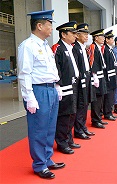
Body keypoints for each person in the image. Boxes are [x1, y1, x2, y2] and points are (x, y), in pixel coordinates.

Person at [18, 10, 64, 179]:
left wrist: (57, 86)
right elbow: (24, 74)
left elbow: (51, 70)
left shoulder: (44, 46)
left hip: (50, 89)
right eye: (49, 25)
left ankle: (47, 158)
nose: (51, 28)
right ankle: (39, 165)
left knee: (50, 127)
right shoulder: (28, 46)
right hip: (38, 91)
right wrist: (29, 97)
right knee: (39, 128)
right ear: (39, 26)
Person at [52, 21, 80, 154]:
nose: (75, 36)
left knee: (72, 113)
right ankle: (61, 142)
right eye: (73, 33)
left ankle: (68, 138)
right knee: (64, 115)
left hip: (73, 84)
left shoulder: (70, 48)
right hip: (64, 86)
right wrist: (58, 84)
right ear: (63, 34)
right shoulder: (58, 48)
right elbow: (56, 68)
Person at [72, 23, 96, 139]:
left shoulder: (83, 48)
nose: (86, 36)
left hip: (86, 77)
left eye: (87, 34)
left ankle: (83, 127)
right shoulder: (75, 48)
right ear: (77, 35)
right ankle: (78, 129)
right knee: (80, 105)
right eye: (84, 34)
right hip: (80, 79)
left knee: (85, 104)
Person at [88, 29, 108, 129]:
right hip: (96, 76)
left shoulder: (99, 48)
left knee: (101, 98)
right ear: (96, 37)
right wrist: (94, 76)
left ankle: (99, 117)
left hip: (101, 75)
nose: (104, 39)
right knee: (97, 100)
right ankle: (95, 119)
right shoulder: (93, 47)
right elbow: (92, 62)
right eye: (102, 37)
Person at [102, 30, 117, 121]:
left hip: (112, 75)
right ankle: (107, 113)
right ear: (107, 40)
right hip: (108, 76)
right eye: (111, 38)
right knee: (108, 96)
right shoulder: (106, 50)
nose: (112, 40)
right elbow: (106, 65)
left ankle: (109, 112)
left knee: (111, 95)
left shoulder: (110, 49)